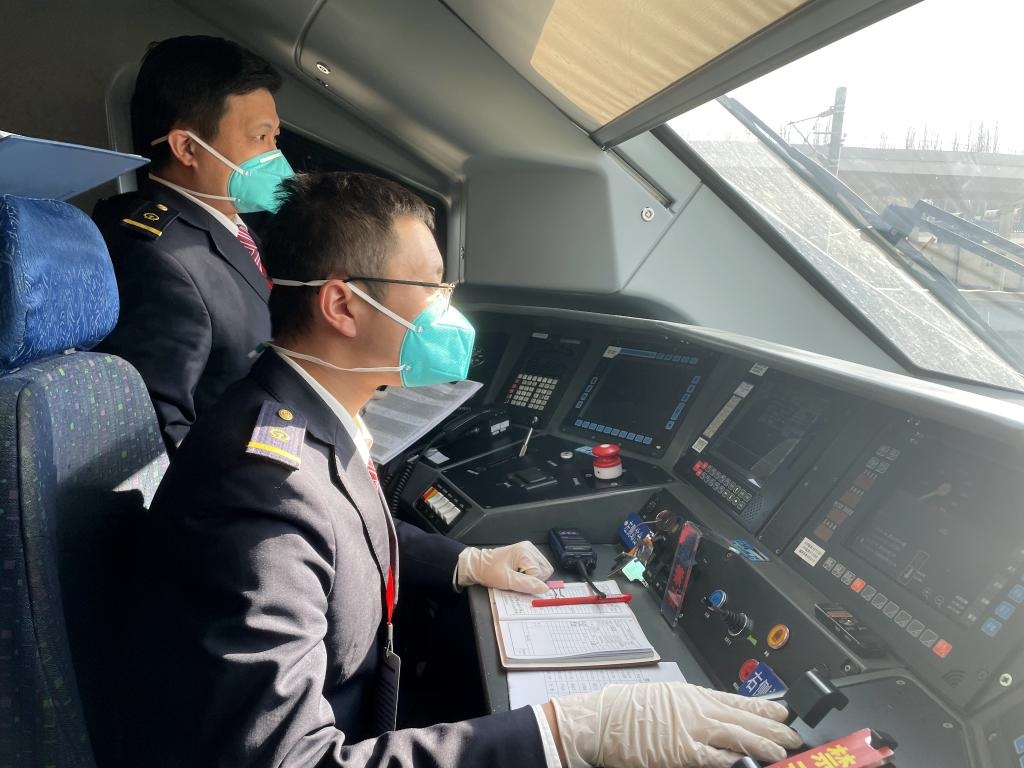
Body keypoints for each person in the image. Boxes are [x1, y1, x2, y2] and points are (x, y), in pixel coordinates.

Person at [130, 172, 802, 768]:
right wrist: (564, 736)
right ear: (342, 306)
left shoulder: (297, 413)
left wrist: (464, 562)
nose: (445, 308)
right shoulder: (261, 490)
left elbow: (341, 530)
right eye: (427, 286)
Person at [94, 35, 294, 452]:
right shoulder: (157, 258)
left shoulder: (233, 225)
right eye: (260, 137)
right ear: (187, 147)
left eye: (275, 137)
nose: (274, 155)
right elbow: (159, 434)